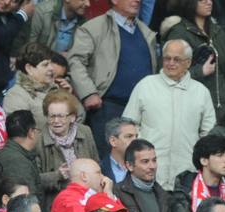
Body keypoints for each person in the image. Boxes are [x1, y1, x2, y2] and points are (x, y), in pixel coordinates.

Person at [123, 39, 216, 192]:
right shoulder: (145, 85)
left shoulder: (201, 92)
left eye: (177, 59)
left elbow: (208, 134)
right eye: (167, 58)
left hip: (187, 175)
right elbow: (128, 127)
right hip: (147, 175)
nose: (170, 63)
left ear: (188, 62)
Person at [67, 0, 158, 155]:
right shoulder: (93, 28)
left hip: (143, 110)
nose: (137, 1)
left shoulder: (145, 31)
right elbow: (75, 61)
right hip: (108, 108)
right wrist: (89, 93)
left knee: (139, 161)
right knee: (109, 161)